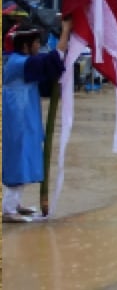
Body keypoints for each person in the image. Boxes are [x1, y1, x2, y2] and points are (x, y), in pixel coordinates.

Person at [2, 22, 65, 222]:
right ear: (25, 45)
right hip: (18, 119)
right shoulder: (19, 62)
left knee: (24, 156)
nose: (39, 46)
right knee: (19, 158)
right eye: (36, 42)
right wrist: (65, 35)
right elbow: (50, 62)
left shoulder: (22, 61)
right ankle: (8, 209)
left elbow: (46, 72)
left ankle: (14, 203)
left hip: (24, 116)